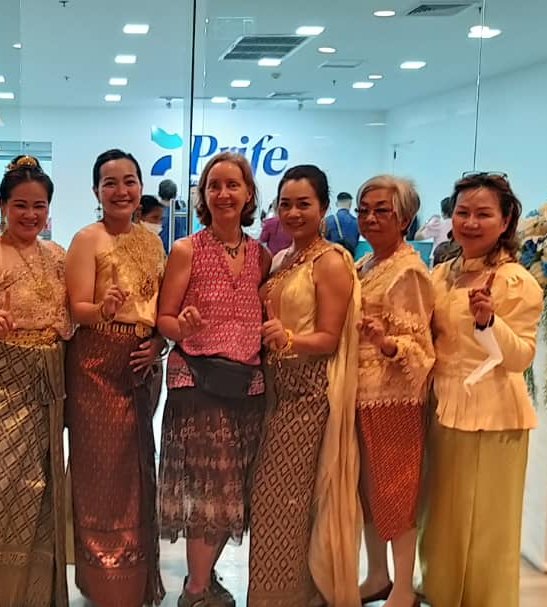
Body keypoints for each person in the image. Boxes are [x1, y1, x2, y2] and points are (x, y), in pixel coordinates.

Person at [419, 173, 541, 607]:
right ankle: (440, 593)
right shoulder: (441, 274)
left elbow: (521, 357)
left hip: (493, 414)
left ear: (505, 221)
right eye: (463, 212)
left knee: (488, 522)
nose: (470, 223)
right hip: (442, 407)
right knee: (441, 516)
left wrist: (489, 321)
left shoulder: (514, 280)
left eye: (483, 214)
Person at [0, 155, 72, 607]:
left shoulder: (57, 255)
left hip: (48, 378)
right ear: (3, 205)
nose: (30, 214)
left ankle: (36, 594)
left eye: (39, 206)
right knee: (0, 485)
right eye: (20, 205)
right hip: (1, 379)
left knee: (42, 485)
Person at [157, 152, 270, 607]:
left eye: (232, 185)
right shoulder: (187, 249)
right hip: (197, 382)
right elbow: (164, 318)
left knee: (235, 487)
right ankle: (196, 590)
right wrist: (180, 326)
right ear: (203, 196)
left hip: (246, 384)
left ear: (248, 194)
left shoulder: (261, 255)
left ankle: (203, 578)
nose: (223, 194)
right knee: (209, 488)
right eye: (214, 186)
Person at [250, 164, 360, 607]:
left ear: (324, 207)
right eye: (286, 204)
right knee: (271, 497)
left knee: (285, 498)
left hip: (308, 393)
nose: (293, 213)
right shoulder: (282, 259)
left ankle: (291, 596)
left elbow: (330, 338)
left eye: (304, 204)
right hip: (274, 391)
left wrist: (289, 338)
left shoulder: (330, 261)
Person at [65, 149, 166, 607]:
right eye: (110, 183)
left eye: (129, 181)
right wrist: (103, 309)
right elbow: (76, 309)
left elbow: (158, 307)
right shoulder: (87, 239)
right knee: (102, 471)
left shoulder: (153, 242)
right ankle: (105, 581)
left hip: (141, 364)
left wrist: (159, 341)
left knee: (138, 467)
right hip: (96, 366)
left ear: (140, 187)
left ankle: (136, 579)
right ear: (96, 191)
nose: (121, 191)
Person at [352, 176, 435, 607]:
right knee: (368, 492)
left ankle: (403, 586)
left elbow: (420, 349)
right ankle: (377, 575)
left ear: (404, 218)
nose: (370, 218)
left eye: (381, 210)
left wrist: (386, 343)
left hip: (394, 401)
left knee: (395, 490)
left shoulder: (408, 271)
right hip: (358, 395)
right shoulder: (367, 263)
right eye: (364, 209)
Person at [324, 191, 359, 258]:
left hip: (331, 258)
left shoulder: (327, 221)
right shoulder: (356, 222)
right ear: (350, 204)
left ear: (336, 204)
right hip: (350, 258)